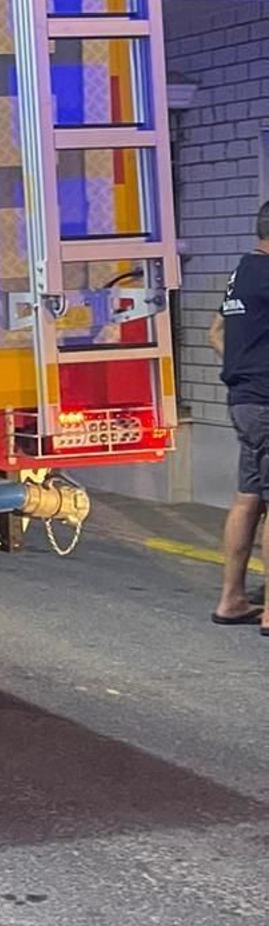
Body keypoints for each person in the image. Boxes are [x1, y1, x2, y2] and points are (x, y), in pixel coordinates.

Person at [207, 201, 269, 627]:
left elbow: (215, 333)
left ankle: (232, 599)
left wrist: (243, 368)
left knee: (249, 498)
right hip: (267, 402)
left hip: (244, 402)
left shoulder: (241, 274)